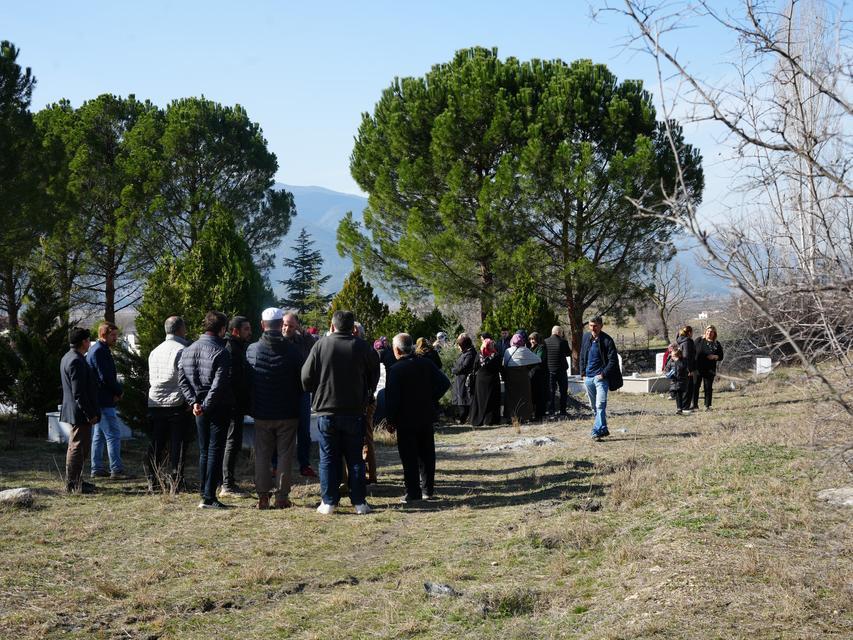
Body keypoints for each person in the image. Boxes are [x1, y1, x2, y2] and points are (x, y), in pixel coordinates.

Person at [301, 310, 378, 515]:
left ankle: (329, 502)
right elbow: (374, 375)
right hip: (354, 410)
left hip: (326, 410)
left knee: (327, 458)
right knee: (355, 458)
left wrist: (316, 390)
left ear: (332, 326)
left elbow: (305, 377)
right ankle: (359, 502)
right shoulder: (363, 347)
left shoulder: (320, 345)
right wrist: (366, 392)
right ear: (353, 328)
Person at [246, 308, 304, 509]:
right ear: (281, 325)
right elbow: (302, 380)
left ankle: (263, 497)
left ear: (262, 325)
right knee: (285, 454)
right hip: (288, 412)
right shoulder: (293, 351)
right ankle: (282, 497)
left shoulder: (253, 350)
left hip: (262, 411)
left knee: (262, 454)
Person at [385, 333, 450, 503]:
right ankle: (428, 490)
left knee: (409, 456)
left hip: (405, 418)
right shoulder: (426, 363)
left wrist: (390, 420)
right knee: (427, 454)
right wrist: (431, 397)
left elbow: (392, 399)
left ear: (397, 350)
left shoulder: (396, 370)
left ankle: (413, 492)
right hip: (425, 415)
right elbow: (445, 383)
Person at [178, 311, 233, 509]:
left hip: (199, 407)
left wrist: (194, 403)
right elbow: (218, 385)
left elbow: (182, 380)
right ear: (221, 329)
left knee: (204, 450)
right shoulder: (221, 351)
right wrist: (205, 405)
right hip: (216, 406)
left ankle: (205, 492)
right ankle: (209, 496)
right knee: (215, 450)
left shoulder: (187, 349)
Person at [145, 315, 192, 492]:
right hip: (176, 401)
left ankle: (153, 480)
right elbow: (184, 378)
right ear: (180, 329)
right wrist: (190, 399)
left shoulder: (155, 351)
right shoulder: (182, 349)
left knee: (156, 443)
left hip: (155, 401)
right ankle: (176, 480)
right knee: (177, 444)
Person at [61, 327, 100, 494]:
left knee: (79, 446)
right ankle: (73, 483)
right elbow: (79, 393)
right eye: (88, 340)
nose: (89, 343)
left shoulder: (68, 357)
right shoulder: (76, 360)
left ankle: (77, 480)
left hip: (75, 410)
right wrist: (90, 414)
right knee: (78, 447)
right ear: (84, 342)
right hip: (80, 412)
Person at [87, 322, 127, 479]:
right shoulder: (100, 351)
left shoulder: (97, 350)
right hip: (103, 399)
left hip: (99, 398)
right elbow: (106, 377)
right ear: (103, 335)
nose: (116, 338)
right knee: (113, 434)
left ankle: (96, 468)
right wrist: (119, 391)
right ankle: (116, 469)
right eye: (113, 335)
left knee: (99, 435)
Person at [283, 312, 318, 478]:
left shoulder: (303, 341)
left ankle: (304, 464)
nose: (287, 328)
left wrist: (304, 334)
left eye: (290, 325)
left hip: (302, 391)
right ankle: (278, 464)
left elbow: (314, 347)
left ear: (296, 326)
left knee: (304, 430)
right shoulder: (277, 340)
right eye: (284, 324)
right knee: (282, 429)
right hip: (282, 392)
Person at [220, 315, 252, 498]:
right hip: (232, 405)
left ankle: (225, 481)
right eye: (246, 329)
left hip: (234, 404)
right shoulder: (231, 349)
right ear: (235, 331)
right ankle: (227, 484)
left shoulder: (237, 347)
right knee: (231, 443)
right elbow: (232, 380)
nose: (250, 332)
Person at [579, 316, 623, 440]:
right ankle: (603, 429)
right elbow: (582, 355)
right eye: (591, 325)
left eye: (595, 325)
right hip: (588, 378)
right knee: (594, 407)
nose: (593, 328)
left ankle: (596, 431)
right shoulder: (586, 337)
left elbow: (613, 360)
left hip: (601, 379)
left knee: (600, 405)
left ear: (601, 326)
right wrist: (583, 373)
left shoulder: (607, 340)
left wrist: (603, 374)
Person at [502, 332, 541, 422]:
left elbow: (504, 363)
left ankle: (510, 417)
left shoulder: (508, 351)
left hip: (510, 377)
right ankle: (525, 416)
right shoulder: (524, 350)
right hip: (523, 377)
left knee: (511, 398)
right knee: (524, 397)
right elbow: (538, 359)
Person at [469, 338, 502, 426]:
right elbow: (499, 367)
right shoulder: (496, 355)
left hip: (480, 380)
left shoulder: (479, 354)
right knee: (491, 400)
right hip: (492, 380)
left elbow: (475, 366)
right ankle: (489, 420)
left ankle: (478, 419)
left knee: (480, 400)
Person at [544, 325, 574, 417]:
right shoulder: (563, 342)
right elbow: (569, 353)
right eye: (561, 333)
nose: (562, 334)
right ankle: (563, 411)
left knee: (551, 391)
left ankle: (551, 410)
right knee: (563, 391)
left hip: (549, 370)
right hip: (561, 370)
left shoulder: (545, 342)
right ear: (558, 333)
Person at [694, 325, 724, 411]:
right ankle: (694, 405)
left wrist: (715, 356)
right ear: (705, 332)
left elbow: (721, 356)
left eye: (711, 332)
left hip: (709, 369)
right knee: (696, 386)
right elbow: (692, 351)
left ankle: (707, 406)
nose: (709, 333)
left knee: (708, 387)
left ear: (714, 333)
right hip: (698, 367)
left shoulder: (716, 344)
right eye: (708, 331)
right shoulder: (699, 340)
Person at [450, 333, 476, 423]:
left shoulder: (470, 353)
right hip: (459, 379)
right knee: (459, 398)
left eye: (460, 345)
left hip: (465, 379)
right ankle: (459, 417)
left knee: (464, 398)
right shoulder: (465, 352)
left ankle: (463, 418)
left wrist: (454, 370)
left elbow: (464, 367)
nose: (459, 347)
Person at [528, 332, 549, 421]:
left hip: (541, 375)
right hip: (533, 375)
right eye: (530, 339)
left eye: (533, 339)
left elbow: (538, 359)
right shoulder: (530, 348)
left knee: (540, 395)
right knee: (535, 395)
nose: (532, 341)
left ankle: (539, 415)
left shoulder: (541, 347)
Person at [665, 346, 691, 414]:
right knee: (677, 395)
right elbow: (667, 368)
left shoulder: (683, 361)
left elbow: (683, 367)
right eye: (671, 355)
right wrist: (668, 373)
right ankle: (679, 408)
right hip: (674, 380)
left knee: (681, 394)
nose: (672, 357)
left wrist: (677, 361)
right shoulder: (670, 361)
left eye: (673, 356)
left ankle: (682, 408)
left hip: (682, 380)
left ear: (679, 356)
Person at [676, 326, 696, 412]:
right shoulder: (687, 342)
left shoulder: (681, 341)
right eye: (692, 332)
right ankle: (685, 407)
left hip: (683, 367)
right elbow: (687, 356)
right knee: (688, 388)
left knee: (685, 387)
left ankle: (684, 406)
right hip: (687, 369)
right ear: (689, 333)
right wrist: (689, 370)